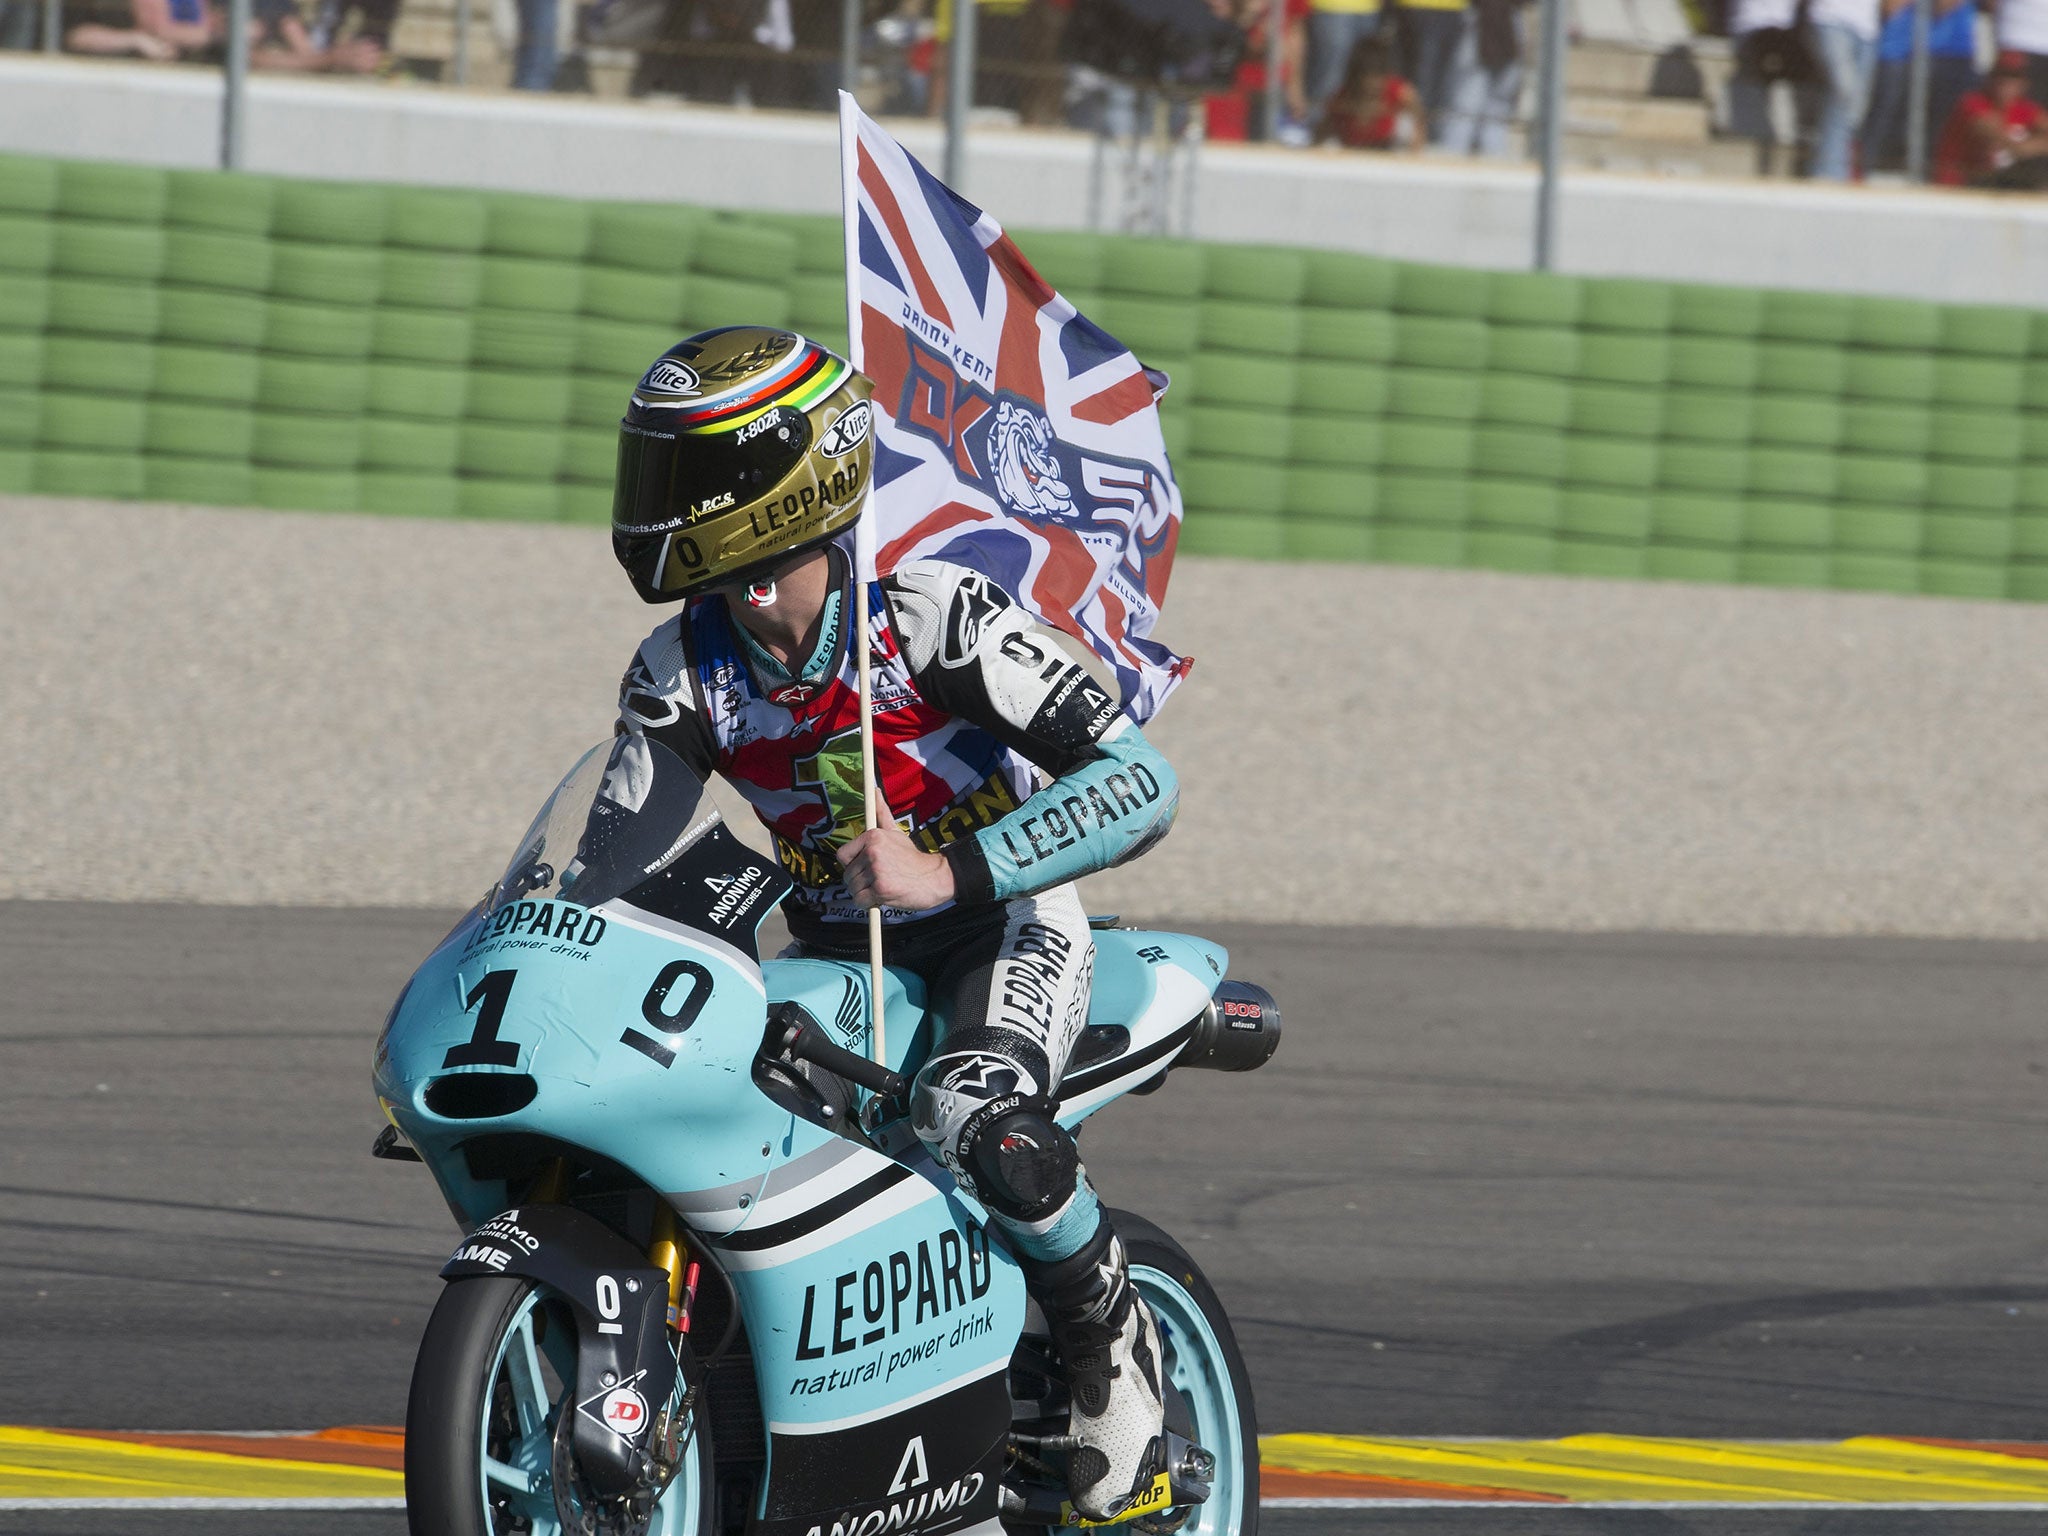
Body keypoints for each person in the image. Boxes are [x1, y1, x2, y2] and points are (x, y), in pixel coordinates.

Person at [609, 327, 1181, 1523]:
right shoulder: (678, 668)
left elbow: (1141, 784)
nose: (649, 505)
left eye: (678, 477)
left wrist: (949, 869)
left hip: (999, 929)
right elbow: (607, 854)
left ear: (776, 490)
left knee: (970, 1105)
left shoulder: (927, 615)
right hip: (832, 952)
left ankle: (1109, 1348)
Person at [1861, 0, 1977, 173]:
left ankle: (1932, 173)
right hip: (1898, 50)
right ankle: (1865, 168)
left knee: (1943, 124)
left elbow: (1944, 7)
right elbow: (1889, 8)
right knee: (1883, 115)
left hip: (1951, 52)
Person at [1935, 47, 2048, 182]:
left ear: (2023, 84)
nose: (2005, 84)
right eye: (2000, 76)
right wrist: (2032, 146)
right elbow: (1996, 135)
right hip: (1961, 181)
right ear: (1990, 78)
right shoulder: (1973, 103)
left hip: (1996, 182)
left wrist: (2027, 147)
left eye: (2013, 78)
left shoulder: (2025, 108)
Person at [1806, 0, 1882, 177]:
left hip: (1867, 29)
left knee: (1856, 107)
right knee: (1844, 93)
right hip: (1830, 18)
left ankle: (1836, 168)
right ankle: (1829, 173)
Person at [1437, 0, 1525, 154]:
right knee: (1471, 105)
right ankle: (1455, 156)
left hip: (1502, 25)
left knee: (1489, 107)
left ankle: (1490, 157)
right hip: (1486, 25)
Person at [1315, 34, 1424, 145]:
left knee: (1406, 125)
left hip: (1388, 148)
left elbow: (1419, 120)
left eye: (1378, 79)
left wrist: (1416, 153)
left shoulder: (1400, 93)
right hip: (1354, 150)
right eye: (1368, 81)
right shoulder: (1339, 101)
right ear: (1356, 79)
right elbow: (1320, 134)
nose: (1373, 86)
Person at [1307, 0, 1384, 121]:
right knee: (1330, 75)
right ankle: (1318, 124)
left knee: (1365, 78)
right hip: (1332, 7)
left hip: (1370, 9)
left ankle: (1352, 130)